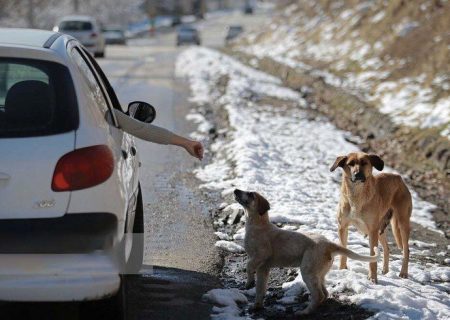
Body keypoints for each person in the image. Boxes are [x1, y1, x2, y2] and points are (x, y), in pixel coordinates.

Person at [113, 109, 204, 160]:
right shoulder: (107, 113)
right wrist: (185, 143)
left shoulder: (107, 114)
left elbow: (141, 129)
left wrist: (186, 143)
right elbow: (141, 129)